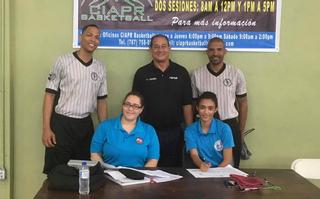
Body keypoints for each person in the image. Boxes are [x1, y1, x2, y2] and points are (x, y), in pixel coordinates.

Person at [42, 24, 108, 174]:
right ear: (81, 37)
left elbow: (102, 101)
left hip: (85, 125)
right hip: (62, 124)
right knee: (57, 171)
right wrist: (46, 128)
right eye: (89, 35)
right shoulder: (63, 61)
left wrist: (104, 131)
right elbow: (49, 95)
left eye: (97, 37)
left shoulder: (100, 68)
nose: (93, 39)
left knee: (84, 172)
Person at [132, 34, 193, 167]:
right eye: (156, 47)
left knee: (174, 171)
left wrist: (189, 132)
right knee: (149, 169)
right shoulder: (142, 74)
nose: (160, 50)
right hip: (148, 131)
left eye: (163, 46)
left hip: (175, 132)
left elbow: (187, 105)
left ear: (169, 48)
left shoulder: (181, 72)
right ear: (150, 50)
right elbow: (135, 105)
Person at [190, 37, 248, 168]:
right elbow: (194, 104)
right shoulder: (197, 74)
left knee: (231, 169)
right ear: (207, 52)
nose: (215, 53)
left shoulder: (236, 73)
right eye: (211, 50)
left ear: (225, 51)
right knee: (205, 166)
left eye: (219, 49)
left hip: (230, 124)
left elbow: (243, 103)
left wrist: (240, 131)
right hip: (205, 127)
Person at [90, 91, 160, 167]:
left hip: (138, 177)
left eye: (135, 106)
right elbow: (95, 153)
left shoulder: (149, 130)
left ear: (141, 110)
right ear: (122, 106)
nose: (130, 108)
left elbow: (153, 159)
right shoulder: (104, 126)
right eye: (127, 104)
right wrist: (104, 171)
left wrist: (142, 175)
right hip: (109, 175)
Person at [185, 92, 234, 171]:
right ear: (197, 108)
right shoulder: (190, 130)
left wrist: (215, 173)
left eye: (210, 108)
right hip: (201, 171)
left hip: (221, 171)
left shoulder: (225, 128)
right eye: (202, 107)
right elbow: (194, 155)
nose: (206, 112)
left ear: (216, 109)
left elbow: (227, 159)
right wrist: (201, 164)